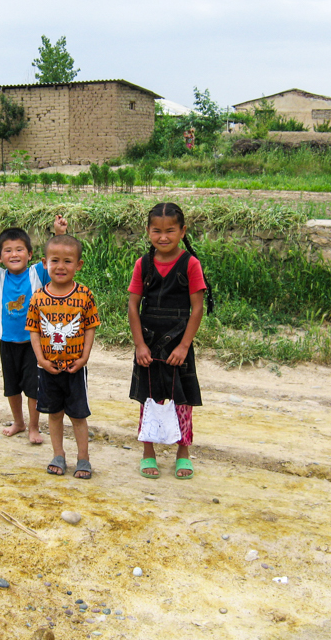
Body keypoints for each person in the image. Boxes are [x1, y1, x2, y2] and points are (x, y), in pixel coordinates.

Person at [128, 202, 214, 479]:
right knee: (148, 398)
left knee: (182, 400)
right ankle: (148, 452)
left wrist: (184, 345)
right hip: (149, 343)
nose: (163, 237)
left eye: (170, 231)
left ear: (182, 231)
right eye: (156, 231)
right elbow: (133, 306)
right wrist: (140, 344)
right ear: (148, 231)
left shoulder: (190, 264)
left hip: (179, 342)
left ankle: (182, 453)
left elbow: (197, 308)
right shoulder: (143, 264)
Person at [0, 214, 68, 444]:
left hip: (33, 344)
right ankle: (19, 422)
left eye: (19, 250)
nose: (14, 254)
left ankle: (34, 427)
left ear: (30, 254)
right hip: (7, 342)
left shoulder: (38, 272)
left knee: (33, 389)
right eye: (7, 251)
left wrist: (59, 234)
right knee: (11, 387)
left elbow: (56, 256)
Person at [27, 234, 100, 479]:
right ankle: (58, 455)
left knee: (78, 416)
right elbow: (35, 331)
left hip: (75, 369)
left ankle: (83, 458)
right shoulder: (38, 298)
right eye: (54, 260)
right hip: (48, 369)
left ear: (78, 265)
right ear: (44, 262)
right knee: (54, 414)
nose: (60, 267)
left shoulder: (85, 296)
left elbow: (90, 326)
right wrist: (41, 360)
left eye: (68, 261)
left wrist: (85, 357)